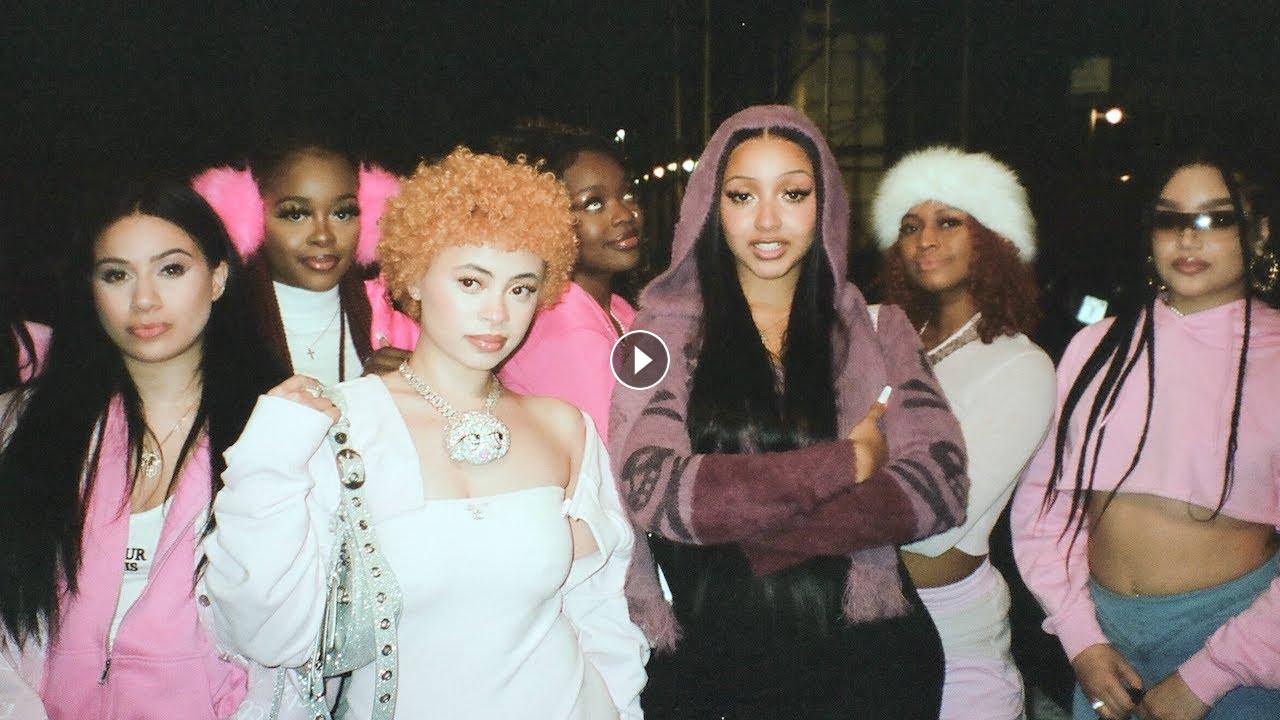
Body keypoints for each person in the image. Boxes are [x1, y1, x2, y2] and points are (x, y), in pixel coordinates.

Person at [204, 148, 649, 719]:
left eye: (520, 288)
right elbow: (269, 637)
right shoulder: (339, 425)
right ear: (413, 276)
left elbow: (599, 613)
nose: (497, 313)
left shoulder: (564, 427)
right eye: (471, 281)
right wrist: (268, 457)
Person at [609, 105, 970, 718]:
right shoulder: (656, 337)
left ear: (824, 205)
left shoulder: (879, 330)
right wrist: (848, 463)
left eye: (793, 194)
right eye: (743, 196)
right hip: (716, 670)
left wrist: (746, 530)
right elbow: (653, 488)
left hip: (872, 666)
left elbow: (943, 482)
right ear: (711, 207)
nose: (768, 220)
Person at [0, 180, 290, 718]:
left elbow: (287, 654)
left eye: (171, 269)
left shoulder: (274, 432)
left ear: (218, 277)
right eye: (117, 275)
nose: (144, 300)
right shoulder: (25, 427)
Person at [1012, 149, 1280, 720]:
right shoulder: (1098, 346)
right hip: (1103, 641)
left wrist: (1210, 675)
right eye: (1168, 218)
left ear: (1258, 235)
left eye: (1214, 218)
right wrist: (1080, 637)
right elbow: (1043, 505)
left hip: (1237, 642)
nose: (1187, 237)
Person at [873, 145, 1056, 720]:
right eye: (910, 226)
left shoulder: (1021, 365)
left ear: (993, 238)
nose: (924, 240)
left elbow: (936, 521)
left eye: (948, 222)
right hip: (857, 622)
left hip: (951, 634)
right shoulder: (876, 331)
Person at [192, 136, 414, 384]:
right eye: (296, 214)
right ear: (246, 217)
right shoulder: (212, 333)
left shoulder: (403, 332)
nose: (323, 236)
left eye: (342, 213)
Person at [491, 123, 644, 436]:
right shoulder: (560, 324)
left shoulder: (618, 309)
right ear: (545, 219)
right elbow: (622, 452)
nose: (625, 215)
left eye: (626, 194)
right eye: (593, 203)